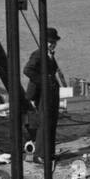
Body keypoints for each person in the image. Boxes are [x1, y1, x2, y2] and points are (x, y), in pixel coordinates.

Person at [24, 28, 63, 166]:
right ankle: (39, 155)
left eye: (54, 42)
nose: (52, 44)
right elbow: (27, 70)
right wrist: (43, 81)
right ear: (44, 42)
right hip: (42, 94)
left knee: (52, 122)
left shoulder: (49, 55)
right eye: (50, 42)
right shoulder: (38, 54)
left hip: (52, 93)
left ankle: (49, 153)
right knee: (44, 123)